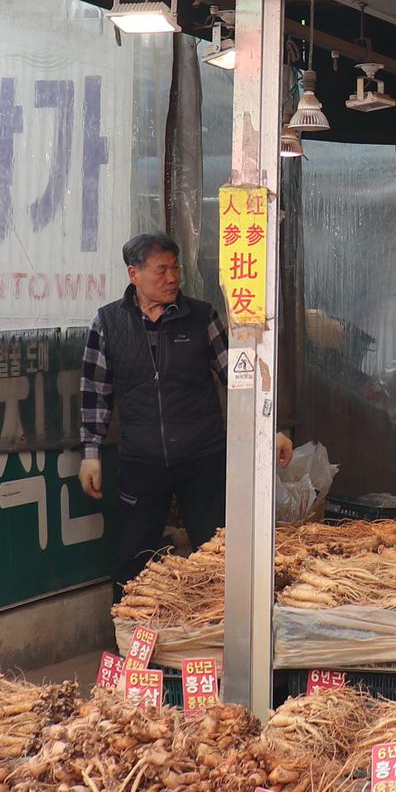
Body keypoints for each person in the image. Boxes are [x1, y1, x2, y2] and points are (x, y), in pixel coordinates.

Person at [77, 232, 227, 587]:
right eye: (161, 270)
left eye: (175, 268)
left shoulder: (201, 317)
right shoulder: (108, 323)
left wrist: (274, 425)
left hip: (202, 457)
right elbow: (95, 391)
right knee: (134, 560)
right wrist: (90, 453)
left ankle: (217, 638)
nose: (173, 278)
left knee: (217, 554)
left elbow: (239, 378)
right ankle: (129, 640)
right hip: (141, 460)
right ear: (134, 274)